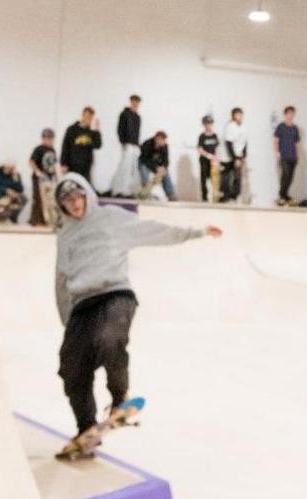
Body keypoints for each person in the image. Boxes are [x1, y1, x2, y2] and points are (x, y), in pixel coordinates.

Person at [51, 174, 219, 458]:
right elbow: (61, 280)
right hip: (82, 305)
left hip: (116, 294)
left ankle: (119, 400)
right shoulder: (65, 236)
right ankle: (85, 429)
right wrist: (68, 322)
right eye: (68, 201)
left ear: (87, 195)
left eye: (78, 198)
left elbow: (154, 231)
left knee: (109, 339)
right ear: (62, 205)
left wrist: (196, 232)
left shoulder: (111, 218)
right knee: (71, 367)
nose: (75, 205)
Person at [106, 94, 145, 196]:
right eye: (134, 101)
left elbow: (137, 132)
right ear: (131, 101)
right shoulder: (124, 114)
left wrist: (137, 145)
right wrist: (123, 142)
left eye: (137, 102)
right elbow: (120, 129)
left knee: (133, 169)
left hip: (135, 145)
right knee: (124, 167)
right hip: (127, 144)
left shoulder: (138, 117)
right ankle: (118, 189)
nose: (135, 103)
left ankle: (130, 190)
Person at [61, 107, 102, 181]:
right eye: (87, 116)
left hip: (86, 166)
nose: (88, 119)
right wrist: (63, 164)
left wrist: (97, 131)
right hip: (72, 165)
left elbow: (98, 145)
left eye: (90, 118)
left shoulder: (91, 132)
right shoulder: (72, 129)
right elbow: (65, 146)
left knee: (84, 189)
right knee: (72, 187)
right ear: (82, 115)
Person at [29, 128, 59, 227]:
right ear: (43, 138)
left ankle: (49, 220)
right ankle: (36, 220)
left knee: (50, 200)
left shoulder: (52, 150)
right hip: (39, 179)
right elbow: (31, 161)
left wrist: (56, 176)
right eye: (47, 138)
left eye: (51, 138)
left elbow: (54, 164)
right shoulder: (38, 149)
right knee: (38, 199)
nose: (49, 140)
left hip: (50, 179)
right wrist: (37, 171)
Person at [274, 105, 302, 205]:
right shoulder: (280, 127)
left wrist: (298, 155)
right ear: (285, 114)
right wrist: (277, 153)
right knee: (285, 175)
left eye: (292, 113)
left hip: (293, 156)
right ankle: (281, 195)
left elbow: (297, 143)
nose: (291, 115)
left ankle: (286, 194)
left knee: (290, 176)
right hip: (284, 156)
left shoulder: (295, 128)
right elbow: (276, 141)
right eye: (289, 113)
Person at [138, 130, 175, 201]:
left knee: (166, 174)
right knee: (144, 171)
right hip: (145, 164)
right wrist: (156, 167)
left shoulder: (165, 146)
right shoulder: (147, 144)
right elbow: (144, 159)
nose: (164, 142)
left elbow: (166, 160)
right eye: (163, 140)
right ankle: (146, 192)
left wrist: (164, 168)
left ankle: (171, 194)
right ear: (157, 139)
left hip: (157, 165)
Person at [222, 107, 247, 203]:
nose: (240, 116)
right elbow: (228, 143)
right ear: (233, 116)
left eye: (241, 114)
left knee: (237, 177)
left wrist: (243, 156)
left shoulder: (243, 127)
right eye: (238, 114)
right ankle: (226, 197)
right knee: (227, 177)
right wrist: (235, 158)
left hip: (239, 155)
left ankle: (235, 196)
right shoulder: (230, 126)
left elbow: (245, 143)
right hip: (229, 156)